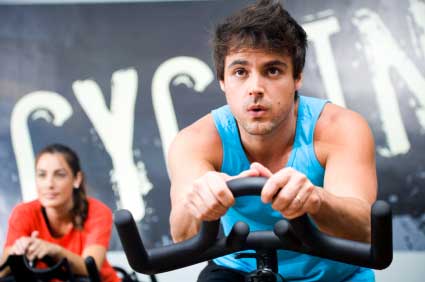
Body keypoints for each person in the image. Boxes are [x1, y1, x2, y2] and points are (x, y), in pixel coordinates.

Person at [168, 0, 377, 281]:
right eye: (240, 72)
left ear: (297, 77)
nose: (255, 88)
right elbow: (182, 235)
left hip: (333, 273)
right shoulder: (195, 141)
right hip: (237, 269)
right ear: (222, 80)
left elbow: (364, 230)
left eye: (273, 70)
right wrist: (200, 204)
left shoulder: (342, 128)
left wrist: (316, 199)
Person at [0, 144, 120, 282]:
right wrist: (17, 251)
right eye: (42, 175)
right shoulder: (23, 212)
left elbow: (90, 267)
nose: (49, 184)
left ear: (77, 179)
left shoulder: (98, 211)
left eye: (60, 175)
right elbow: (2, 272)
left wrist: (54, 250)